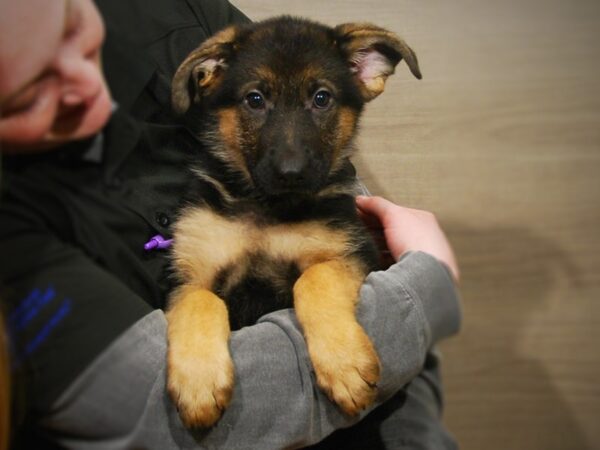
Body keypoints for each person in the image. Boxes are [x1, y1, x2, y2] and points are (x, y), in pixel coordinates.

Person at [0, 0, 461, 448]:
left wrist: (331, 299)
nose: (291, 157)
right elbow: (152, 416)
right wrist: (424, 286)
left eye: (320, 99)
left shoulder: (184, 12)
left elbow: (350, 262)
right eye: (28, 95)